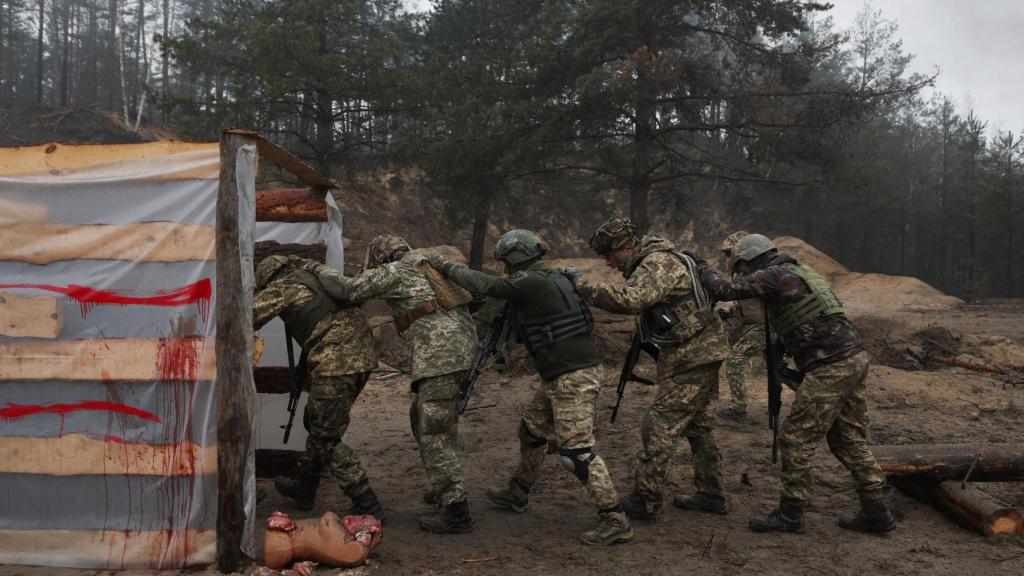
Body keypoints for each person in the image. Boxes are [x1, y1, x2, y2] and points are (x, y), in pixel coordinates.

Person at [427, 229, 633, 546]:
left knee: (576, 452)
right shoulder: (549, 279)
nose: (507, 269)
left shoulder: (532, 281)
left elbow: (486, 285)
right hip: (561, 373)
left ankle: (614, 517)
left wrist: (443, 265)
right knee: (532, 431)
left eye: (506, 262)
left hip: (573, 376)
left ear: (516, 257)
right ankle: (518, 492)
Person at [691, 233, 896, 534]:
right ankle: (876, 512)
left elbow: (721, 289)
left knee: (796, 439)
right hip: (854, 358)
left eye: (743, 268)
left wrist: (701, 264)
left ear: (750, 260)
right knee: (848, 439)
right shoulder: (802, 272)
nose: (746, 275)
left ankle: (790, 514)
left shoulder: (774, 275)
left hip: (831, 365)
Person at [307, 235, 479, 534]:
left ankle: (456, 511)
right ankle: (444, 486)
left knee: (434, 434)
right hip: (462, 355)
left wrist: (317, 269)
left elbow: (348, 289)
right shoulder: (430, 265)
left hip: (440, 360)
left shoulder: (397, 270)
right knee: (425, 419)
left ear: (380, 257)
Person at [566, 217, 731, 522]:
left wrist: (581, 284)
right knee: (698, 427)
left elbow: (631, 300)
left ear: (626, 247)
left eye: (609, 255)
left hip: (691, 356)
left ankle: (646, 499)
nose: (609, 263)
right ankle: (711, 493)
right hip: (700, 352)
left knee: (658, 425)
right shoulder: (661, 260)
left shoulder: (656, 263)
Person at [253, 255, 382, 518]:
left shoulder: (285, 287)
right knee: (317, 422)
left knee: (326, 437)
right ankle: (305, 488)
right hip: (361, 359)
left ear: (270, 278)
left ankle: (366, 501)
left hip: (337, 363)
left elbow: (249, 315)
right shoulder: (320, 280)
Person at [717, 231, 766, 422]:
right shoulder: (741, 275)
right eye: (726, 255)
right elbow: (744, 307)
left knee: (735, 359)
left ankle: (738, 409)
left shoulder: (758, 274)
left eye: (729, 254)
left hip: (766, 328)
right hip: (754, 327)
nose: (727, 259)